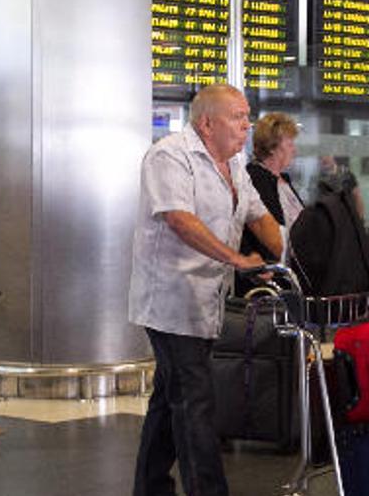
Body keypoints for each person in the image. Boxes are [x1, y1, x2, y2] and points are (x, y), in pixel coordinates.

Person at [129, 83, 283, 496]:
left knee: (171, 395)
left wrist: (288, 255)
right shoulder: (169, 155)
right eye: (238, 116)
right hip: (169, 300)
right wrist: (236, 260)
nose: (247, 125)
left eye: (247, 116)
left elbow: (258, 215)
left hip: (205, 301)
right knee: (195, 399)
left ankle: (150, 486)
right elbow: (180, 219)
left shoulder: (234, 165)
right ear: (206, 122)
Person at [242, 112, 304, 262]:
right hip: (271, 271)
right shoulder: (256, 179)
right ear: (271, 147)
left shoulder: (284, 180)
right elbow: (265, 231)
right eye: (289, 144)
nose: (294, 150)